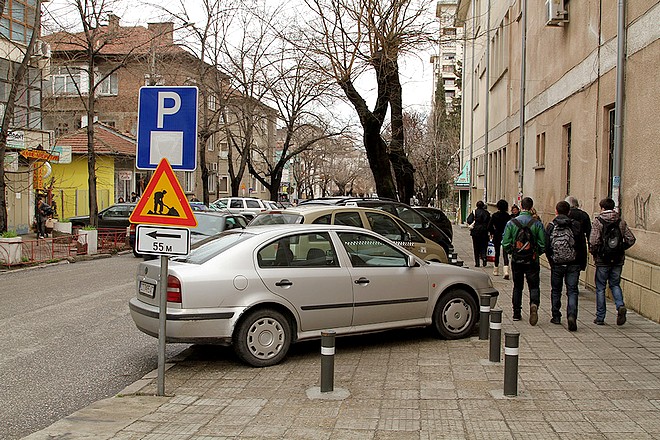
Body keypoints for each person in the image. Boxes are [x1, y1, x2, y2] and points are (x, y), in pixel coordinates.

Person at [589, 197, 636, 326]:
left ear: (602, 208)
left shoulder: (598, 221)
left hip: (602, 259)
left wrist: (595, 252)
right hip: (618, 259)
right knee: (615, 284)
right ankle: (620, 305)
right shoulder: (620, 221)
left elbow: (593, 241)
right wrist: (621, 248)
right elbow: (631, 239)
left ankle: (600, 317)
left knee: (600, 288)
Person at [502, 197, 546, 324]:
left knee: (517, 286)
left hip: (517, 260)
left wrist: (512, 252)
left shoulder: (512, 223)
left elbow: (505, 243)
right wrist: (536, 253)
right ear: (531, 207)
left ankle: (516, 313)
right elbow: (543, 244)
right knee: (534, 286)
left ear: (521, 207)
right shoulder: (536, 223)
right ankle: (534, 304)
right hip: (532, 260)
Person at [545, 201, 585, 331]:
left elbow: (547, 246)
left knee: (556, 290)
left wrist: (551, 261)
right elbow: (581, 245)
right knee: (572, 291)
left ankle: (556, 316)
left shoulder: (551, 225)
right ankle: (572, 315)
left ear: (556, 211)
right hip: (573, 263)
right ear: (569, 212)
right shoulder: (575, 225)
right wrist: (582, 263)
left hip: (557, 263)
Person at [565, 196, 591, 272]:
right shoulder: (584, 215)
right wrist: (590, 246)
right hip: (580, 246)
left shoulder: (565, 215)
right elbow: (589, 232)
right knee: (575, 271)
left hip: (566, 246)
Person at [488, 199, 511, 278]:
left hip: (497, 234)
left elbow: (489, 226)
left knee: (497, 252)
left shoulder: (495, 215)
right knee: (505, 253)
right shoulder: (508, 216)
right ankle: (506, 271)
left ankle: (496, 269)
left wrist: (492, 232)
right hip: (506, 235)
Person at [466, 201, 491, 268]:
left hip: (475, 232)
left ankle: (477, 262)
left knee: (476, 247)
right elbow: (489, 223)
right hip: (484, 232)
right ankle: (484, 256)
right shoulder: (486, 213)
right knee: (484, 245)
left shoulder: (474, 212)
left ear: (477, 205)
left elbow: (469, 220)